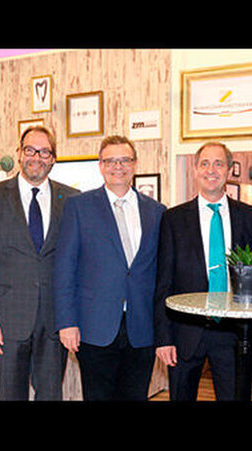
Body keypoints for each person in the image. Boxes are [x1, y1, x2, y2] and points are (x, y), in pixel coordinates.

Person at [0, 126, 79, 400]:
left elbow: (77, 263)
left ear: (53, 159)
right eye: (30, 150)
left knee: (51, 395)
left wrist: (73, 317)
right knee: (10, 395)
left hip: (53, 321)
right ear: (19, 153)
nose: (36, 157)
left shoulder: (72, 199)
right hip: (7, 320)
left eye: (44, 152)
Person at [54, 135, 166, 400]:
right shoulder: (78, 206)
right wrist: (67, 323)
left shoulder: (157, 211)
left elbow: (162, 274)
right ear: (101, 166)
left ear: (135, 164)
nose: (118, 166)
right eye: (110, 161)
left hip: (142, 327)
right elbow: (64, 268)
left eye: (124, 160)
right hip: (94, 326)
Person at [154, 142, 252, 401]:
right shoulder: (173, 219)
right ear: (195, 169)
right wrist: (164, 338)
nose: (211, 170)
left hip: (233, 331)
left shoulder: (250, 217)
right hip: (185, 332)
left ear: (229, 170)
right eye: (205, 163)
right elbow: (164, 281)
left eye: (218, 164)